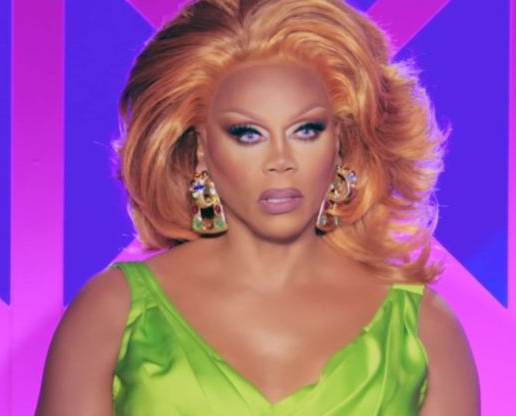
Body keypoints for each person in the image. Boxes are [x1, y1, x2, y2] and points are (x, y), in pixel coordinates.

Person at [36, 0, 480, 414]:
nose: (281, 160)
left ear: (341, 140)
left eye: (306, 129)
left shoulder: (424, 330)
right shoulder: (111, 312)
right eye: (248, 134)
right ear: (201, 149)